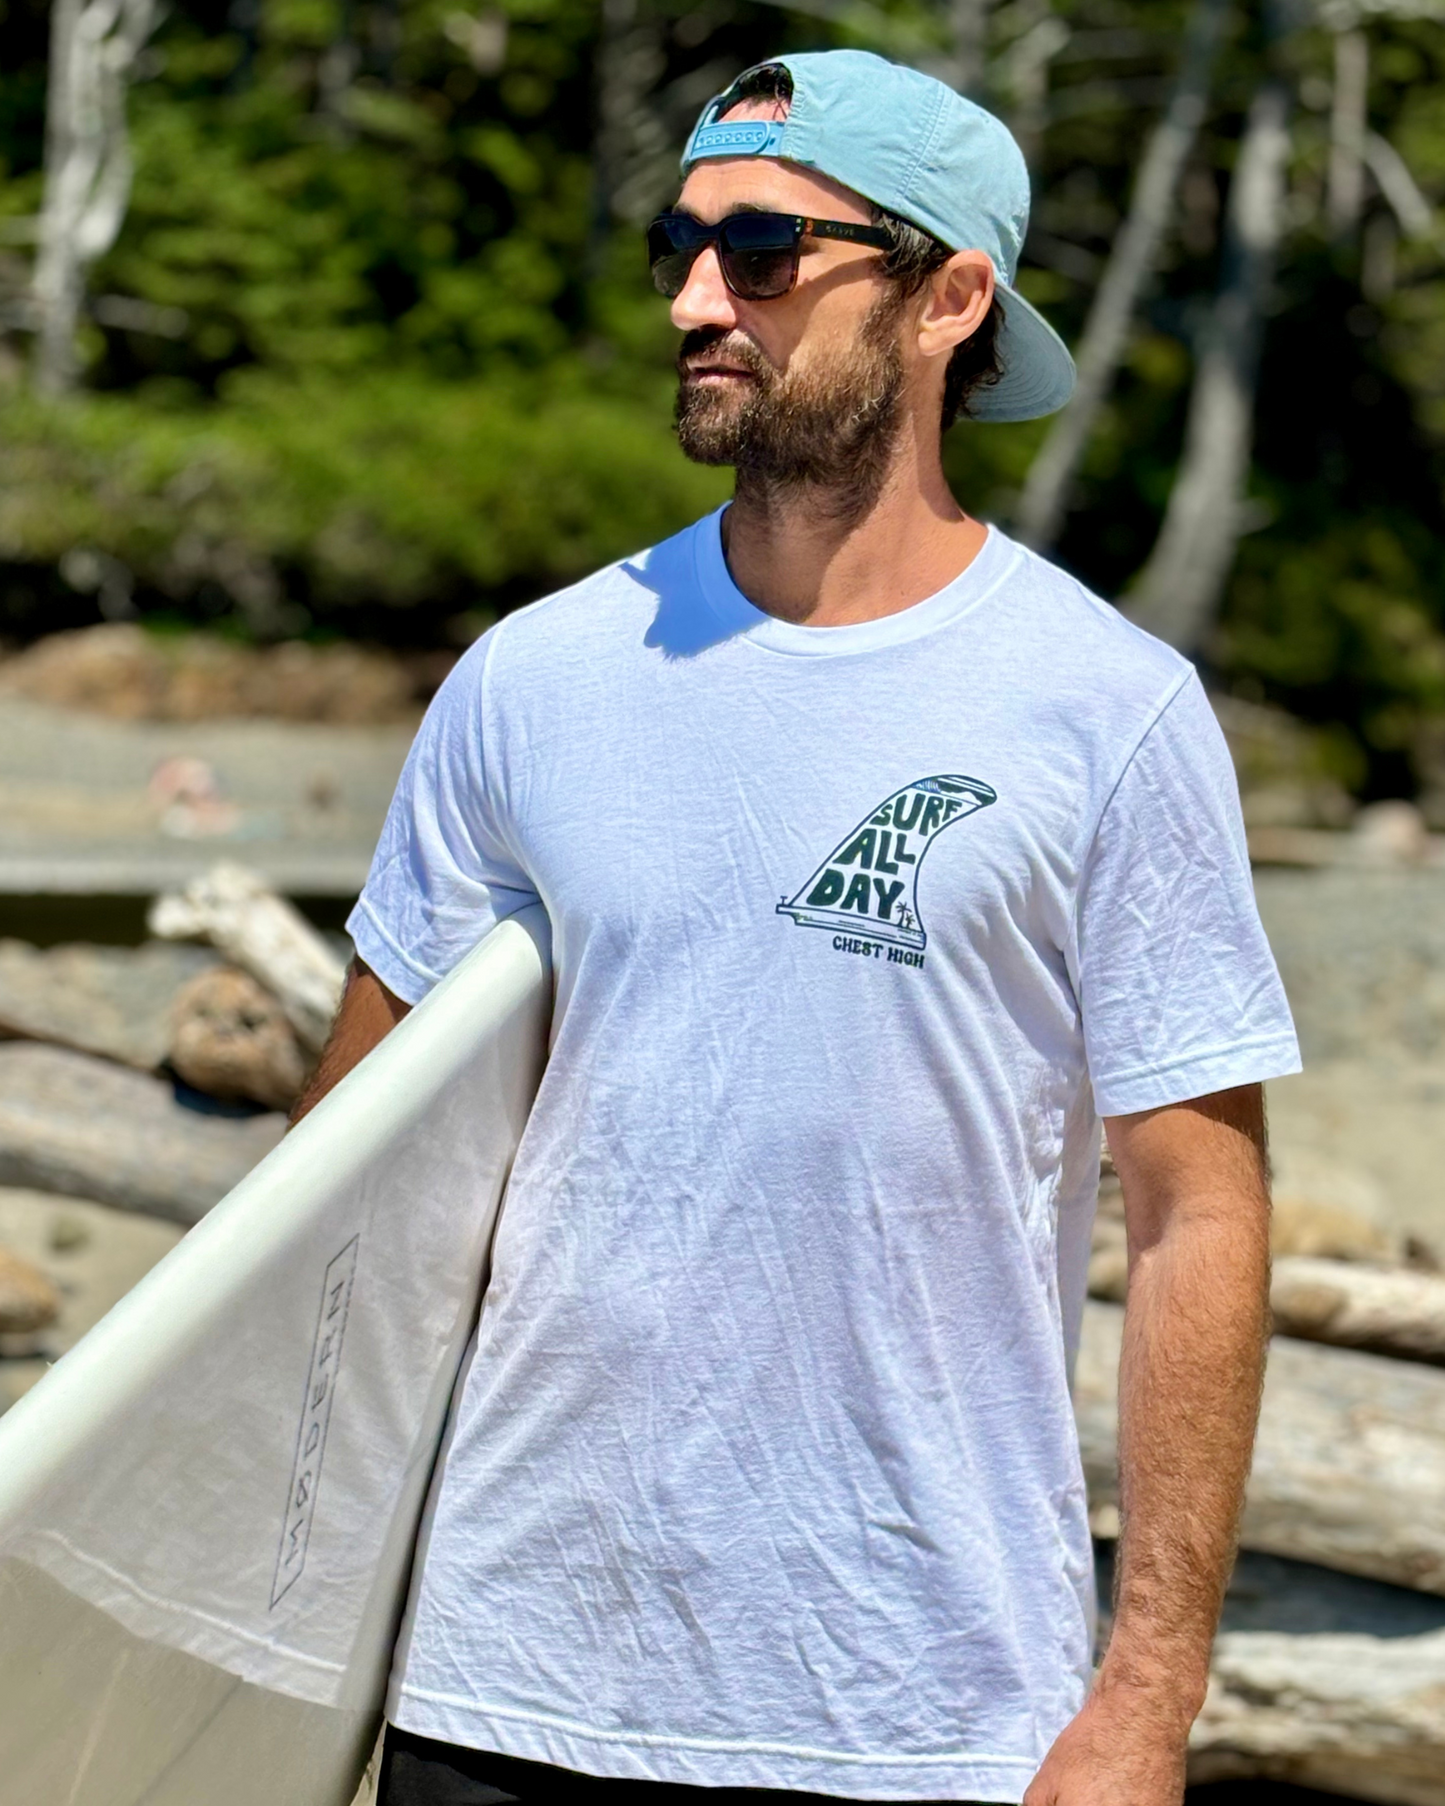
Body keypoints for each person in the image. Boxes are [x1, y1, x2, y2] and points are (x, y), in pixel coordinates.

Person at [298, 49, 1300, 1806]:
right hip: (506, 1687)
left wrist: (1146, 1697)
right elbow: (343, 1184)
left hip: (919, 1707)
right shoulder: (530, 680)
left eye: (765, 250)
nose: (699, 295)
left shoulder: (1108, 711)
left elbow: (1199, 1208)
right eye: (682, 245)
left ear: (949, 297)